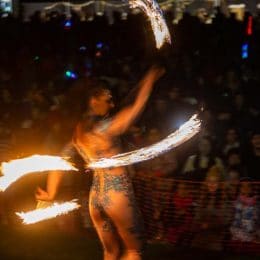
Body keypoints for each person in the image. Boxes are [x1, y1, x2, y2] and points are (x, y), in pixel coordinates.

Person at [35, 66, 165, 260]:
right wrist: (149, 80)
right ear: (93, 101)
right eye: (108, 100)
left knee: (110, 251)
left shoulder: (78, 132)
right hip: (117, 195)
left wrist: (51, 192)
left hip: (96, 199)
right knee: (135, 250)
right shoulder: (109, 128)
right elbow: (138, 105)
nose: (112, 105)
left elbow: (61, 158)